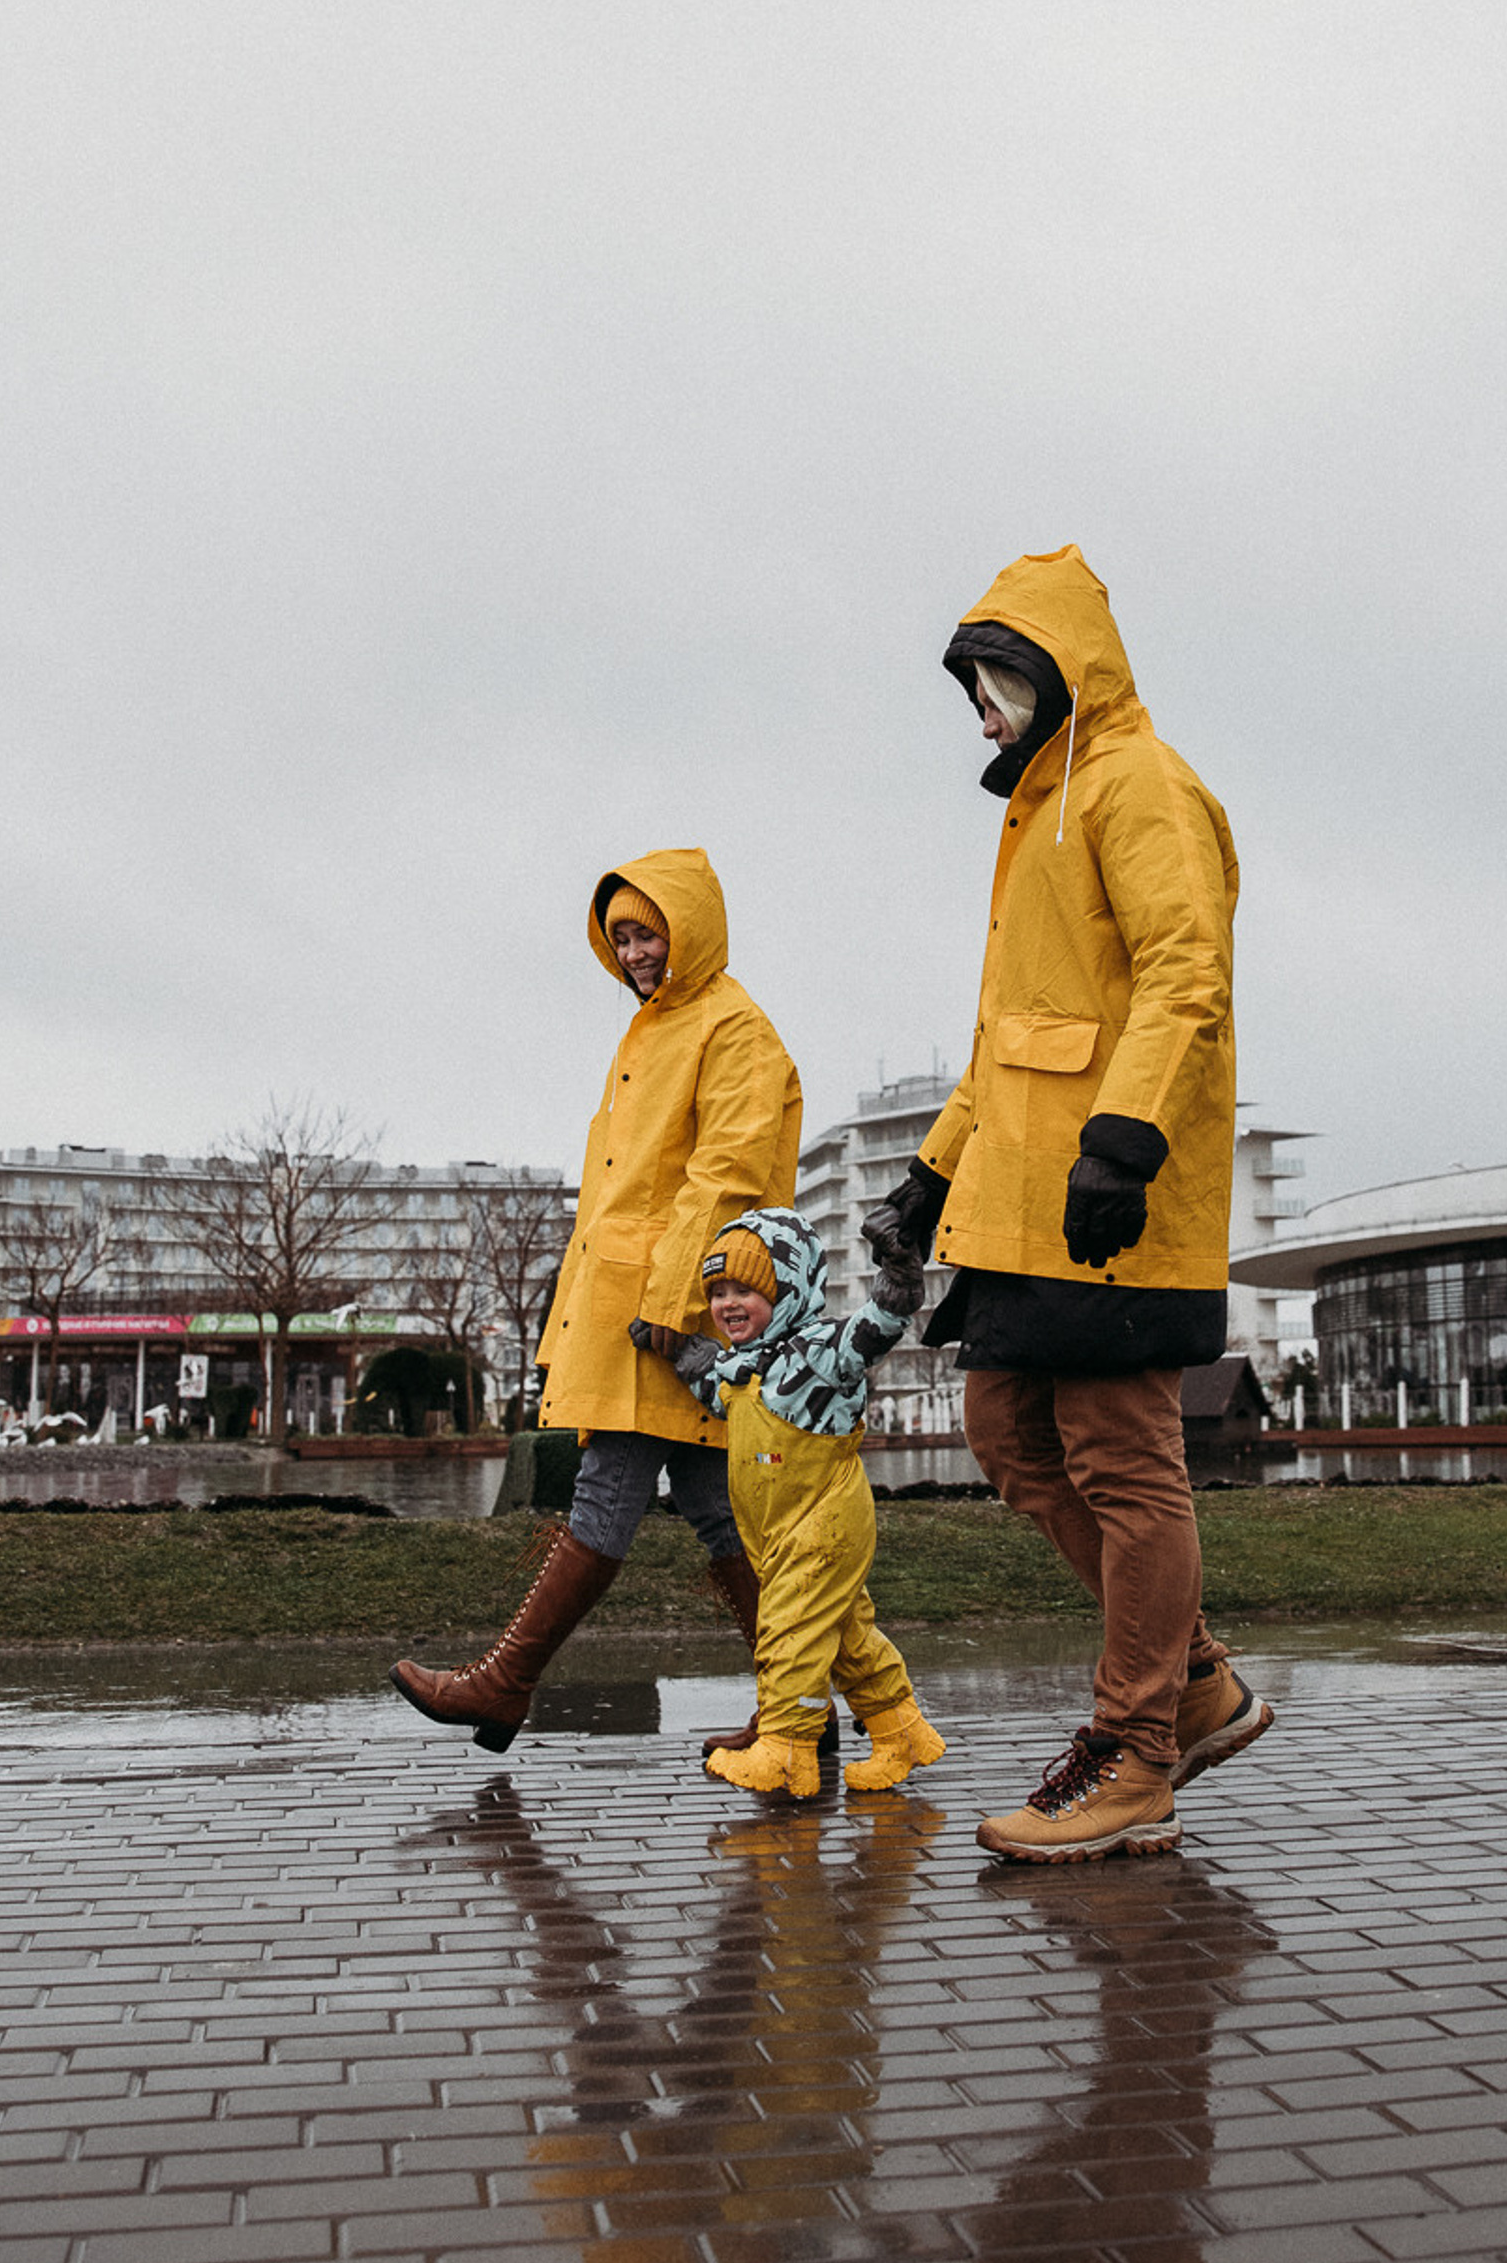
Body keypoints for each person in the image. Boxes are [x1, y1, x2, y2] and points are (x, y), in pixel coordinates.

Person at [863, 544, 1271, 1866]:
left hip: (1108, 1193)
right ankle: (1191, 1679)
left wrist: (1126, 1137)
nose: (981, 716)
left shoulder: (1138, 783)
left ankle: (1138, 1752)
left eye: (993, 687)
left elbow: (1186, 972)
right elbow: (1010, 1041)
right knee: (1005, 1432)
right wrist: (929, 1176)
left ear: (1053, 675)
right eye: (972, 694)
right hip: (1025, 1198)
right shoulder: (1040, 808)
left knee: (1120, 1458)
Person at [391, 849, 803, 1751]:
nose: (634, 953)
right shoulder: (657, 1030)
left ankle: (504, 1684)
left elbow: (728, 1174)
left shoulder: (733, 1028)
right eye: (620, 938)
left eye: (648, 933)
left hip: (666, 1310)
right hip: (640, 1303)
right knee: (719, 1506)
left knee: (611, 1493)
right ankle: (802, 1709)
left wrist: (672, 1298)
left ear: (689, 930)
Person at [634, 1206, 949, 1799]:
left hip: (822, 1523)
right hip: (779, 1531)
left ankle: (785, 1751)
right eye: (718, 1291)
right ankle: (901, 1733)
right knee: (848, 1638)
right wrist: (676, 1350)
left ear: (788, 1289)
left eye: (746, 1290)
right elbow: (714, 1388)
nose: (728, 1303)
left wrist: (900, 1278)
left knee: (789, 1631)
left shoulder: (820, 1351)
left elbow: (876, 1326)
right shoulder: (741, 1367)